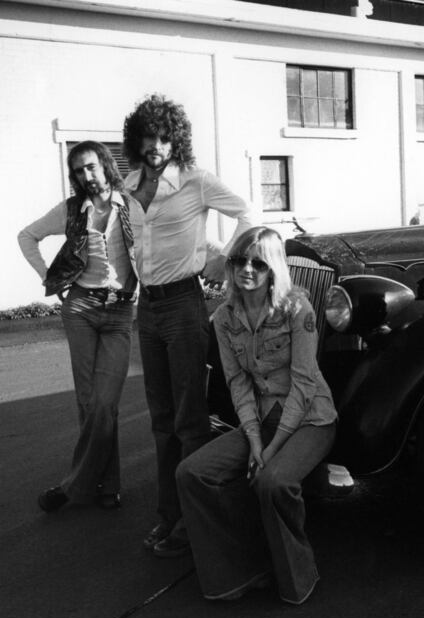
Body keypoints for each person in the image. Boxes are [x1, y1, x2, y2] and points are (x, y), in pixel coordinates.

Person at [122, 93, 257, 557]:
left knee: (189, 417)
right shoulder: (130, 184)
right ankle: (169, 514)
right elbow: (128, 243)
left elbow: (247, 211)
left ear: (174, 139)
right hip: (148, 308)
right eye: (149, 137)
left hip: (183, 305)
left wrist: (223, 262)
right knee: (161, 419)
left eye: (164, 137)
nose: (156, 145)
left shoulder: (195, 182)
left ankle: (193, 521)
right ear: (137, 140)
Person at [175, 226, 337, 603]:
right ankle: (239, 570)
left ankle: (299, 577)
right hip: (261, 421)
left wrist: (271, 448)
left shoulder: (297, 308)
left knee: (272, 482)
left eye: (258, 263)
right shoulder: (224, 318)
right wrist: (253, 442)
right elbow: (238, 385)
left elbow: (303, 382)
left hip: (311, 418)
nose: (247, 269)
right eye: (238, 261)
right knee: (192, 473)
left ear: (273, 269)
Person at [18, 141, 139, 512]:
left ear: (105, 165)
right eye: (79, 171)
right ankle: (108, 485)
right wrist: (52, 280)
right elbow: (27, 236)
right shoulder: (72, 210)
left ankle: (73, 486)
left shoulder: (132, 204)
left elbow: (157, 243)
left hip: (119, 313)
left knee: (105, 402)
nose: (87, 176)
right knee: (90, 404)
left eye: (91, 167)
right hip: (80, 308)